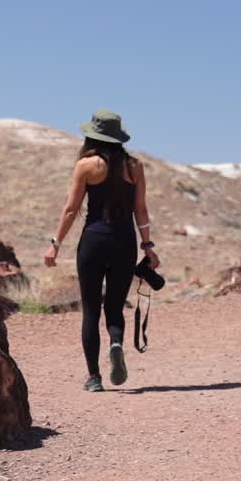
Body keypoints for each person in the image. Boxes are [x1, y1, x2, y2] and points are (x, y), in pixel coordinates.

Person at [44, 109, 159, 391]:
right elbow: (140, 210)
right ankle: (117, 344)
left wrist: (55, 245)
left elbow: (71, 209)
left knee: (91, 311)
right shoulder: (135, 166)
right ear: (118, 137)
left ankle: (94, 377)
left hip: (94, 241)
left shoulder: (86, 166)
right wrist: (148, 246)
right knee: (115, 306)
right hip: (124, 242)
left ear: (92, 136)